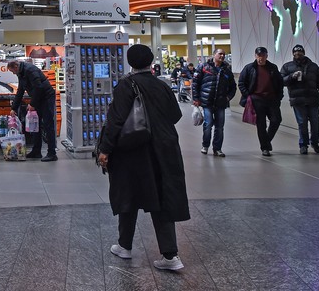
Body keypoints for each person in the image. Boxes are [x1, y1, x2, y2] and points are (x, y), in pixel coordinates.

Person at [97, 44, 189, 271]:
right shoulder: (162, 85)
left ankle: (124, 246)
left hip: (133, 152)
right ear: (150, 62)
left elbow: (115, 122)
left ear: (130, 62)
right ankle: (170, 256)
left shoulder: (125, 86)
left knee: (128, 194)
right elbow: (176, 115)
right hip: (165, 150)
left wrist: (105, 150)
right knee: (162, 198)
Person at [280, 44, 319, 154]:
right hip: (297, 100)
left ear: (303, 53)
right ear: (293, 54)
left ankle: (315, 143)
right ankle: (303, 145)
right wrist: (291, 77)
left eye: (300, 52)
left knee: (315, 122)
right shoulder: (287, 67)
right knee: (302, 123)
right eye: (295, 52)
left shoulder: (313, 67)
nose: (297, 54)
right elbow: (280, 81)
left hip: (313, 99)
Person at [237, 47, 284, 156]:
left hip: (272, 99)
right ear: (255, 56)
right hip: (256, 100)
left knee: (276, 120)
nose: (260, 58)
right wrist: (248, 96)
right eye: (258, 55)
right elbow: (241, 83)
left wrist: (279, 97)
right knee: (261, 124)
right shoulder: (250, 68)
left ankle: (266, 141)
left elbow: (280, 83)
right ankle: (265, 148)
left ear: (266, 56)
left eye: (262, 55)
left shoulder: (272, 68)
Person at [8, 59, 57, 161]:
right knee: (35, 125)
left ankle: (52, 153)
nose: (13, 73)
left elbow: (38, 87)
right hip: (38, 98)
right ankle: (36, 151)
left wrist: (33, 104)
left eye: (12, 71)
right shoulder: (20, 73)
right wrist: (14, 108)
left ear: (16, 67)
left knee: (48, 125)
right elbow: (20, 91)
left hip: (46, 97)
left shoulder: (30, 70)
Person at [192, 49, 237, 157]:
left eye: (223, 54)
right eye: (220, 54)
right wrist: (196, 99)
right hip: (206, 102)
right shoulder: (203, 67)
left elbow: (233, 87)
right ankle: (205, 146)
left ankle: (217, 149)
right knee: (208, 124)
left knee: (219, 127)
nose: (222, 56)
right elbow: (195, 84)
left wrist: (228, 98)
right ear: (214, 55)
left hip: (220, 103)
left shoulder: (226, 70)